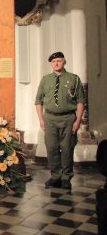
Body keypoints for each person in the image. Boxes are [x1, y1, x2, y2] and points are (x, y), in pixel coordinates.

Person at [35, 51, 84, 191]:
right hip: (49, 118)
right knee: (52, 148)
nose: (56, 63)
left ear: (64, 62)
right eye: (54, 62)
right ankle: (55, 176)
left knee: (67, 148)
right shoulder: (45, 79)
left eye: (59, 61)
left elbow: (80, 101)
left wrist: (78, 120)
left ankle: (66, 178)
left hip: (68, 118)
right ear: (51, 64)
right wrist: (41, 119)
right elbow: (38, 101)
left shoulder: (74, 79)